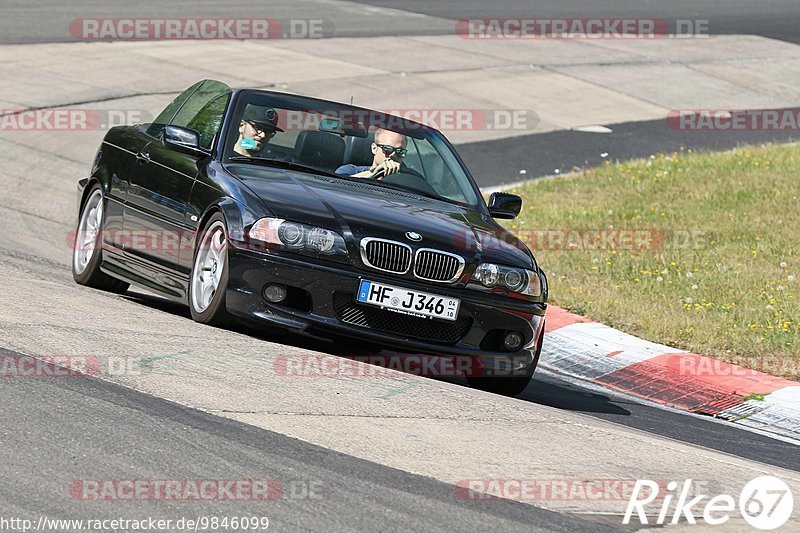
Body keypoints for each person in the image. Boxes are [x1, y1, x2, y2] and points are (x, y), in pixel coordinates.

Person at [336, 128, 407, 178]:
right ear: (374, 148)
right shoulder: (350, 170)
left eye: (399, 151)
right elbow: (337, 184)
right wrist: (374, 173)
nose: (393, 154)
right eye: (387, 149)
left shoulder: (407, 180)